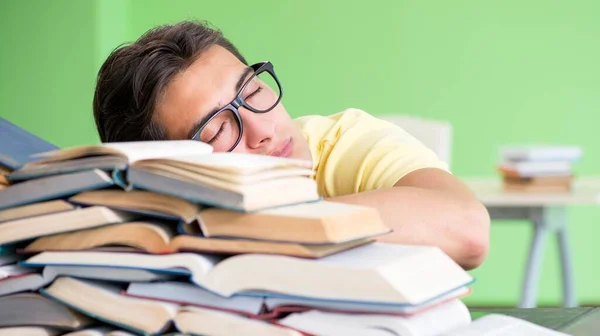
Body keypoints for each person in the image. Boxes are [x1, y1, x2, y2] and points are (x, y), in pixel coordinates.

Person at [93, 20, 490, 270]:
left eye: (254, 90)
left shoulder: (343, 141)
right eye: (217, 131)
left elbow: (468, 231)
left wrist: (249, 227)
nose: (261, 128)